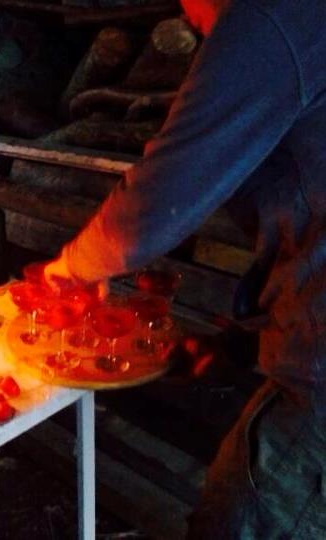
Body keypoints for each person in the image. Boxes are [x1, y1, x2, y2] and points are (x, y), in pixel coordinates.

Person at [44, 0, 326, 538]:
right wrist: (248, 342)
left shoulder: (269, 17)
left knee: (241, 519)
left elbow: (155, 207)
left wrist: (68, 270)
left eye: (190, 12)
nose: (194, 25)